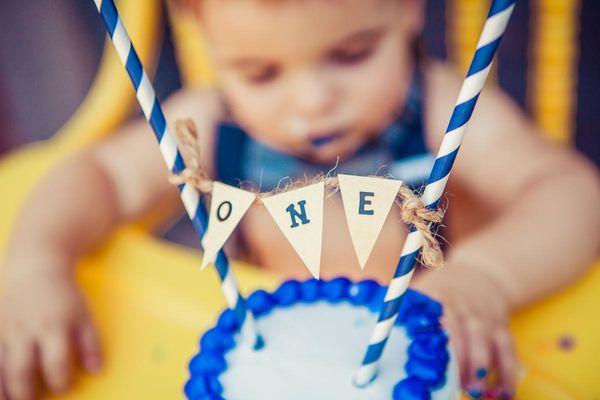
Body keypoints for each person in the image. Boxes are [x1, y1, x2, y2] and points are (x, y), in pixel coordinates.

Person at [1, 0, 599, 398]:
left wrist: (487, 277)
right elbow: (101, 177)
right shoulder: (210, 125)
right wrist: (38, 260)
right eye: (260, 73)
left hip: (439, 356)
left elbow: (570, 194)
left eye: (352, 54)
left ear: (409, 8)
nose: (312, 100)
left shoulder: (447, 111)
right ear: (199, 28)